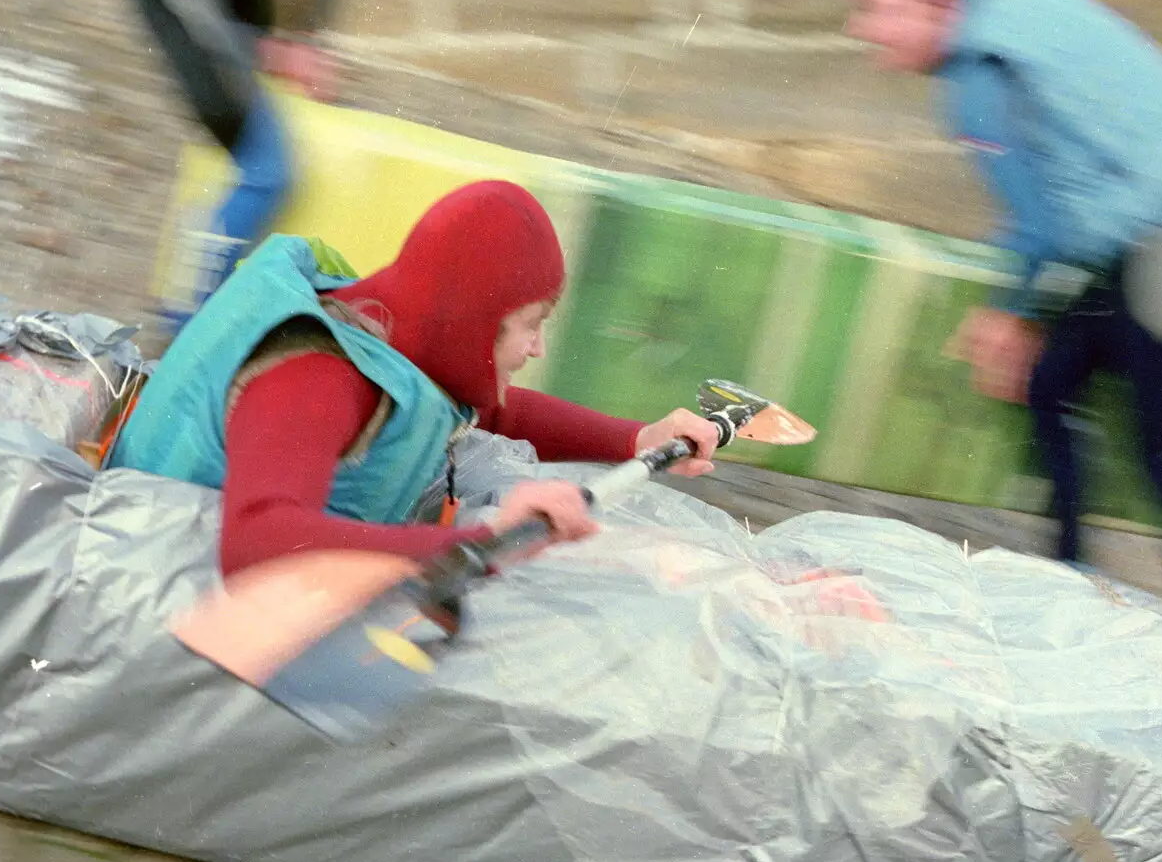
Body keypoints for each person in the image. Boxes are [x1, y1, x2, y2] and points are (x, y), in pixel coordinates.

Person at [845, 0, 1162, 658]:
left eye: (876, 9)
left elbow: (1037, 226)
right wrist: (1025, 319)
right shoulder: (1021, 10)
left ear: (936, 5)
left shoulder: (980, 80)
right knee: (1050, 382)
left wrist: (1007, 315)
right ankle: (1067, 575)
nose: (863, 28)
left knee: (1159, 446)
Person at [108, 180, 721, 576]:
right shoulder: (315, 378)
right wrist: (482, 540)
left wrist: (637, 439)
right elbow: (253, 540)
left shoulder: (398, 324)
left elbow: (491, 406)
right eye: (529, 324)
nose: (537, 348)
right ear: (474, 319)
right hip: (154, 581)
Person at [127, 0, 348, 334]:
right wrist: (282, 41)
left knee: (263, 161)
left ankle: (197, 308)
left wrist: (299, 36)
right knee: (268, 171)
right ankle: (192, 325)